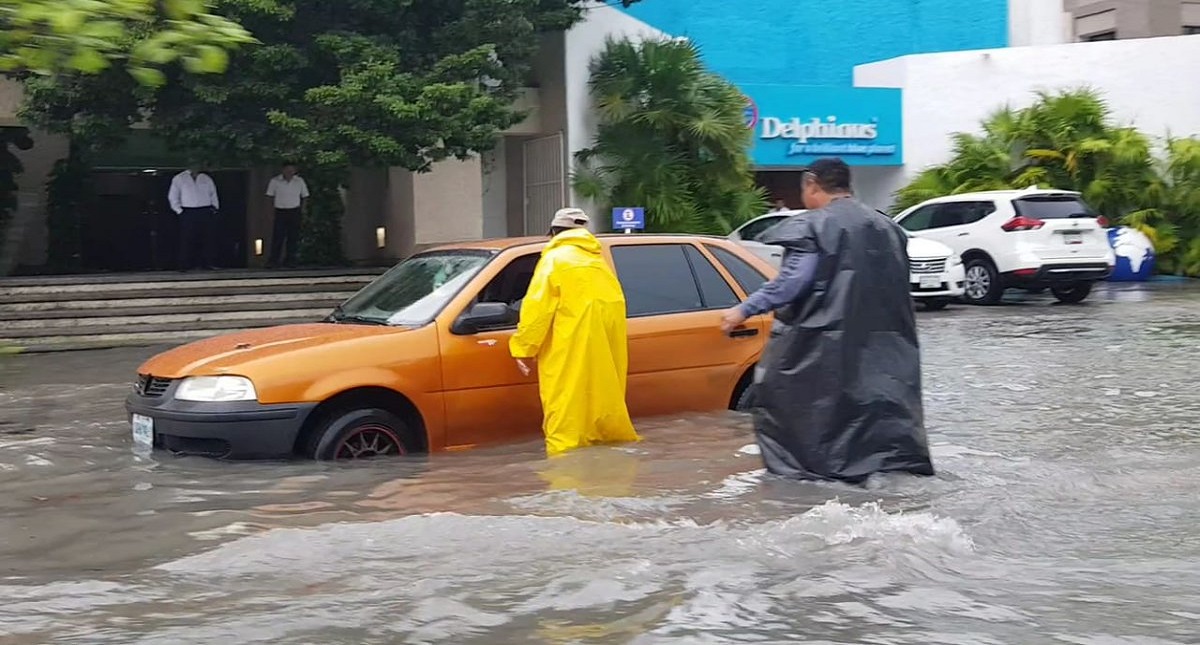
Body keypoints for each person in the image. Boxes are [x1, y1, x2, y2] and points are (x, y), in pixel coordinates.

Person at [720, 158, 934, 484]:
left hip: (821, 352)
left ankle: (815, 485)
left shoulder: (813, 226)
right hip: (888, 353)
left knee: (794, 414)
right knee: (879, 426)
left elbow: (791, 283)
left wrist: (743, 310)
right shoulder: (887, 227)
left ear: (811, 183)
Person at [509, 208, 641, 456]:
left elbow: (537, 309)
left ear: (553, 232)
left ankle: (564, 475)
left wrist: (523, 348)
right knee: (602, 414)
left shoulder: (554, 260)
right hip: (603, 351)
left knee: (565, 418)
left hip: (567, 350)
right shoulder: (597, 261)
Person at [168, 163, 221, 271]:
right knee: (187, 238)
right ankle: (185, 264)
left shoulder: (206, 178)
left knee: (207, 238)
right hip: (188, 211)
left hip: (205, 210)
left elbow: (213, 193)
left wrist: (214, 208)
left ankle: (208, 263)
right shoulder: (179, 178)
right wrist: (179, 211)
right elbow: (173, 196)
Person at [265, 162, 310, 267]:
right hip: (280, 211)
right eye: (287, 170)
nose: (290, 172)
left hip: (294, 211)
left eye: (292, 170)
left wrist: (303, 210)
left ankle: (290, 260)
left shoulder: (299, 181)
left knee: (293, 237)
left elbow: (305, 196)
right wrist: (270, 212)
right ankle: (274, 260)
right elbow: (269, 196)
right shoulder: (275, 181)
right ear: (283, 170)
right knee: (278, 236)